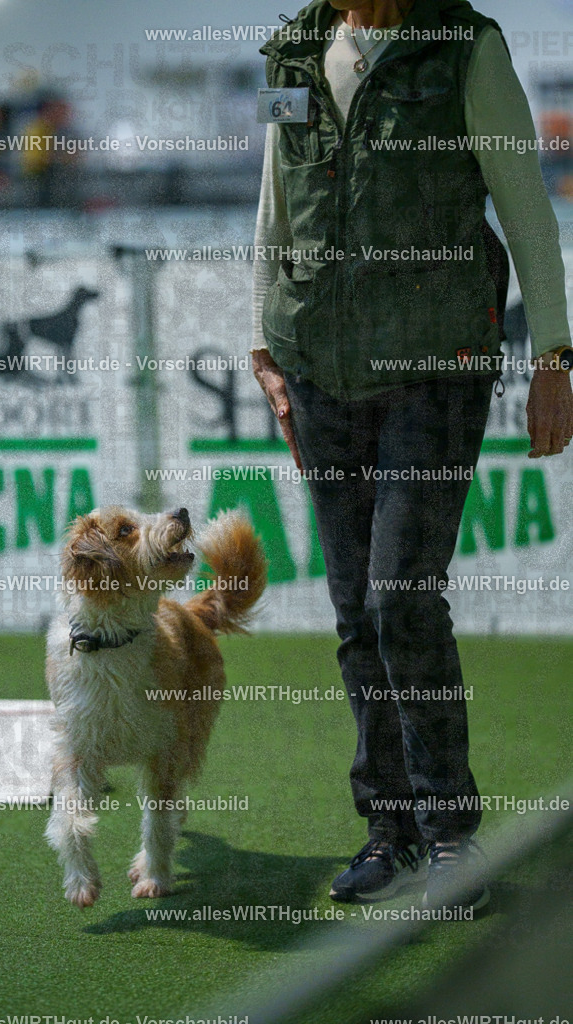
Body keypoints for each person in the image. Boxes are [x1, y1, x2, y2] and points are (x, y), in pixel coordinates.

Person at [251, 0, 573, 911]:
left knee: (400, 595)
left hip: (435, 369)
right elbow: (276, 203)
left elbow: (525, 209)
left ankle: (450, 840)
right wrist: (263, 349)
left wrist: (551, 356)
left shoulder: (464, 48)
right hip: (318, 369)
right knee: (356, 607)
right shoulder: (294, 53)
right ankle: (385, 834)